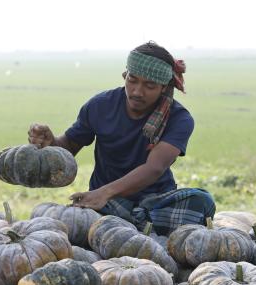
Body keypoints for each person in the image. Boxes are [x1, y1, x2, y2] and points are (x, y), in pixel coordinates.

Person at [28, 41, 215, 235]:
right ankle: (137, 227)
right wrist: (52, 144)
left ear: (164, 87)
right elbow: (69, 147)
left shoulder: (179, 118)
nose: (137, 91)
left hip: (155, 202)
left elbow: (154, 168)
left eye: (149, 85)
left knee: (202, 202)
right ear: (125, 76)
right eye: (132, 80)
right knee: (98, 216)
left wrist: (104, 193)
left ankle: (126, 225)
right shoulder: (100, 105)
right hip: (109, 203)